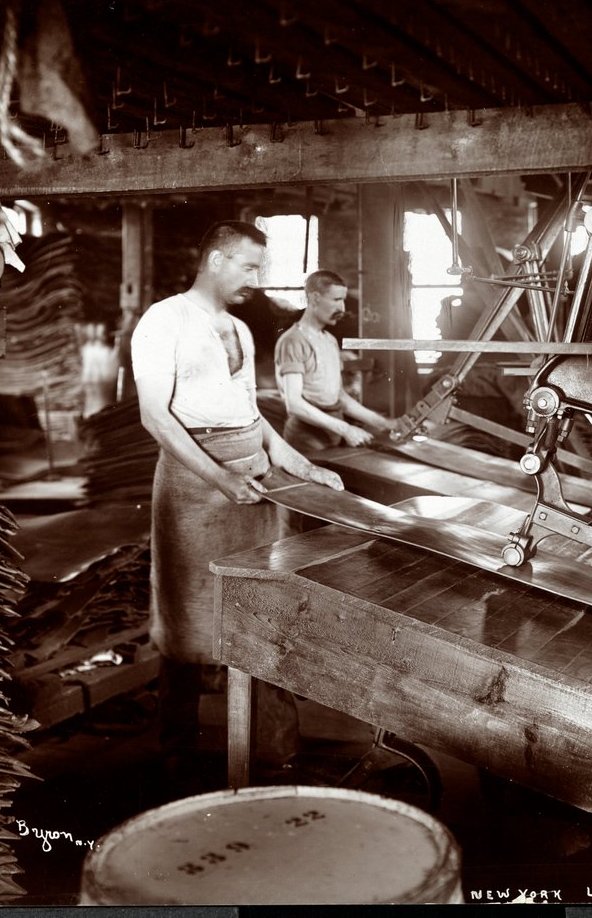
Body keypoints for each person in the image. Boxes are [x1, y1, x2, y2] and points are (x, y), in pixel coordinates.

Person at [130, 221, 344, 792]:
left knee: (262, 611)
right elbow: (156, 416)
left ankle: (276, 754)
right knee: (185, 617)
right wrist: (219, 476)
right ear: (218, 260)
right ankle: (176, 749)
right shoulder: (165, 320)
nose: (259, 279)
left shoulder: (241, 332)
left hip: (252, 480)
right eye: (251, 266)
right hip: (194, 485)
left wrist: (301, 464)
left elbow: (251, 414)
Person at [274, 270, 399, 453]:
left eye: (343, 300)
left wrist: (383, 423)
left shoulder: (330, 341)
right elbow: (294, 404)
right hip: (307, 437)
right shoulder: (292, 341)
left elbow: (338, 397)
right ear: (315, 298)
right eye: (336, 300)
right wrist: (346, 429)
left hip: (333, 433)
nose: (342, 308)